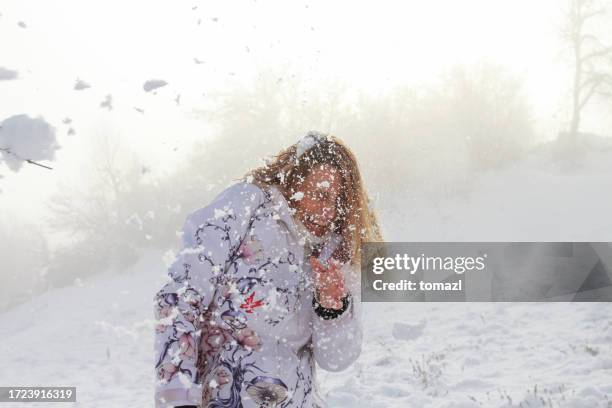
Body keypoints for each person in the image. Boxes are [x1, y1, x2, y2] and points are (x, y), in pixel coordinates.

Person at [153, 131, 383, 407]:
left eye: (338, 201)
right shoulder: (247, 205)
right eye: (320, 195)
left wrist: (332, 307)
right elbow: (180, 298)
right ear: (293, 181)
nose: (329, 212)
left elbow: (337, 360)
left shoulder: (336, 254)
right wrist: (177, 397)